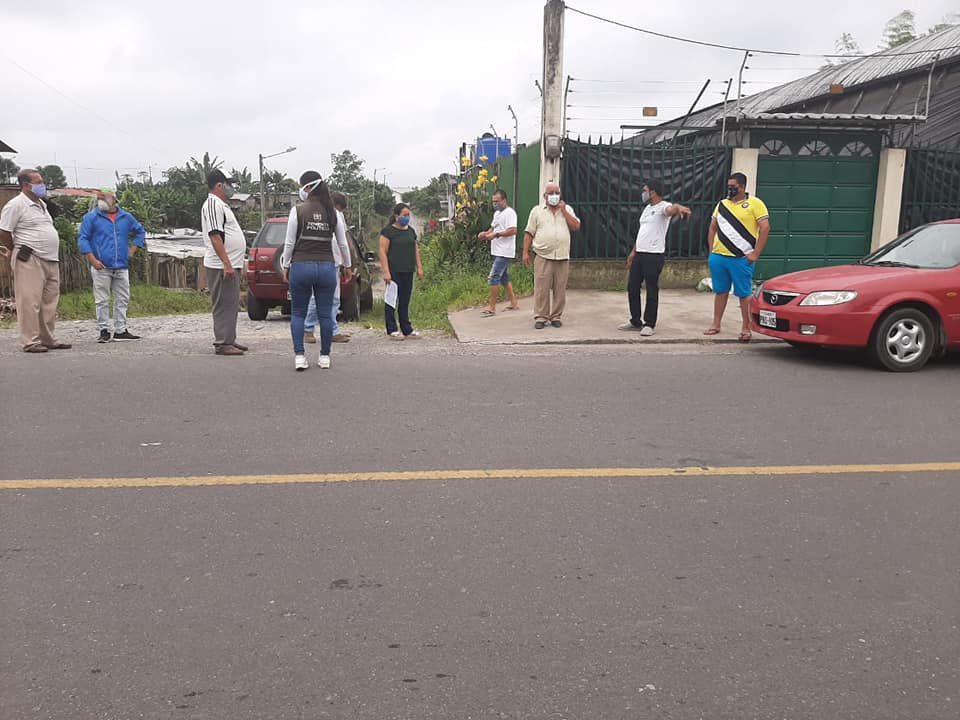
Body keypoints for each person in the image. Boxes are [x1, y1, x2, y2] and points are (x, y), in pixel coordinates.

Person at [281, 171, 351, 371]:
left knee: (298, 313)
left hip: (301, 267)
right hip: (327, 268)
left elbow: (289, 242)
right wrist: (347, 266)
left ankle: (300, 357)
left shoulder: (297, 210)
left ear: (309, 187)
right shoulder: (333, 213)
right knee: (326, 315)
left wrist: (286, 265)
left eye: (302, 186)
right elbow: (343, 243)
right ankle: (325, 357)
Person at [0, 168, 71, 353]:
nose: (42, 185)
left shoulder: (42, 205)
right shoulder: (16, 205)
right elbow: (4, 231)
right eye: (38, 182)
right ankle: (30, 341)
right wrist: (13, 248)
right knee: (29, 300)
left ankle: (47, 338)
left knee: (49, 301)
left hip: (50, 258)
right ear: (26, 185)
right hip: (30, 257)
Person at [618, 179, 691, 336]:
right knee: (632, 286)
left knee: (651, 289)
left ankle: (649, 323)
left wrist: (679, 208)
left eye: (645, 190)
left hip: (653, 255)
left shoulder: (663, 206)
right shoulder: (647, 209)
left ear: (653, 192)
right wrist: (633, 251)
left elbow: (671, 210)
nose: (643, 193)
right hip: (640, 253)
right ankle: (635, 320)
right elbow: (642, 232)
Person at [703, 172, 770, 342]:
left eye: (733, 187)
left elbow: (765, 228)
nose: (730, 189)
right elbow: (712, 228)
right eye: (729, 187)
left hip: (741, 258)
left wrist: (756, 253)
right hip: (719, 257)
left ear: (742, 187)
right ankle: (716, 324)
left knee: (744, 293)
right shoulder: (722, 204)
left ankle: (746, 328)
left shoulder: (755, 204)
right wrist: (711, 252)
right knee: (720, 291)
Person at [78, 190, 146, 342]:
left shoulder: (126, 217)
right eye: (99, 198)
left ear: (114, 199)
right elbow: (83, 238)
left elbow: (140, 231)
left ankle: (121, 329)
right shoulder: (91, 217)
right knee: (102, 300)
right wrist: (92, 259)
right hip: (101, 265)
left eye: (104, 197)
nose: (101, 200)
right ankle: (104, 330)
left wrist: (132, 249)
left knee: (122, 298)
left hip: (121, 265)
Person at [201, 169, 247, 356]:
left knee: (231, 303)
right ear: (219, 185)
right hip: (221, 265)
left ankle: (229, 339)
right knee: (223, 304)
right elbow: (215, 236)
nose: (231, 187)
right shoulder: (213, 204)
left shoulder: (222, 205)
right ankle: (222, 343)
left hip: (231, 263)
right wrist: (226, 264)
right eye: (229, 184)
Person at [522, 182, 580, 329]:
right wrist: (525, 252)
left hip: (562, 255)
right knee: (541, 288)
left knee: (560, 288)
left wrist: (564, 211)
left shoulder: (567, 209)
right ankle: (541, 316)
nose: (554, 196)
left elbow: (576, 226)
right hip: (543, 255)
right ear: (545, 196)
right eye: (551, 193)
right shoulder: (537, 211)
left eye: (557, 193)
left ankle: (556, 316)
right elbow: (529, 232)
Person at [304, 191, 352, 344]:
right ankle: (308, 329)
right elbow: (343, 243)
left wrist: (345, 263)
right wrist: (348, 264)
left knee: (334, 299)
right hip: (320, 261)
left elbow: (342, 242)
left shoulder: (336, 216)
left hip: (333, 262)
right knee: (318, 298)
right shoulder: (317, 215)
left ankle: (332, 331)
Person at [379, 203, 423, 339]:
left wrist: (419, 267)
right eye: (404, 215)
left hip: (408, 270)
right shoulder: (388, 232)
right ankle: (392, 329)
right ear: (396, 216)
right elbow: (382, 252)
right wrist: (386, 271)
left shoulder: (410, 231)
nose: (407, 218)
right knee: (391, 300)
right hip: (394, 271)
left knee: (404, 301)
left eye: (408, 215)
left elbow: (415, 250)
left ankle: (406, 329)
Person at [476, 188, 520, 316]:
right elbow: (493, 228)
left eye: (497, 201)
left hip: (505, 251)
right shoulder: (497, 214)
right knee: (504, 278)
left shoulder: (510, 213)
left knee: (493, 277)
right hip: (497, 250)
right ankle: (513, 302)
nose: (495, 204)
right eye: (493, 201)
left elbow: (513, 230)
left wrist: (496, 235)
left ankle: (492, 307)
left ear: (504, 200)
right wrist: (485, 234)